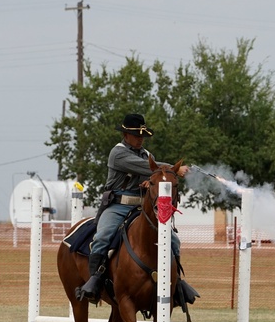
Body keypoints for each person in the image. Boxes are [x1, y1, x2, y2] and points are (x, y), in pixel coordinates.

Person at [76, 113, 190, 301]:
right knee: (103, 237)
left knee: (174, 241)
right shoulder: (118, 153)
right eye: (136, 136)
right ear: (126, 135)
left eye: (142, 136)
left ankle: (176, 284)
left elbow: (150, 174)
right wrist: (173, 168)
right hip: (118, 205)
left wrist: (148, 183)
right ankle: (94, 283)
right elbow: (144, 167)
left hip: (141, 208)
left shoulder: (147, 156)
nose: (140, 140)